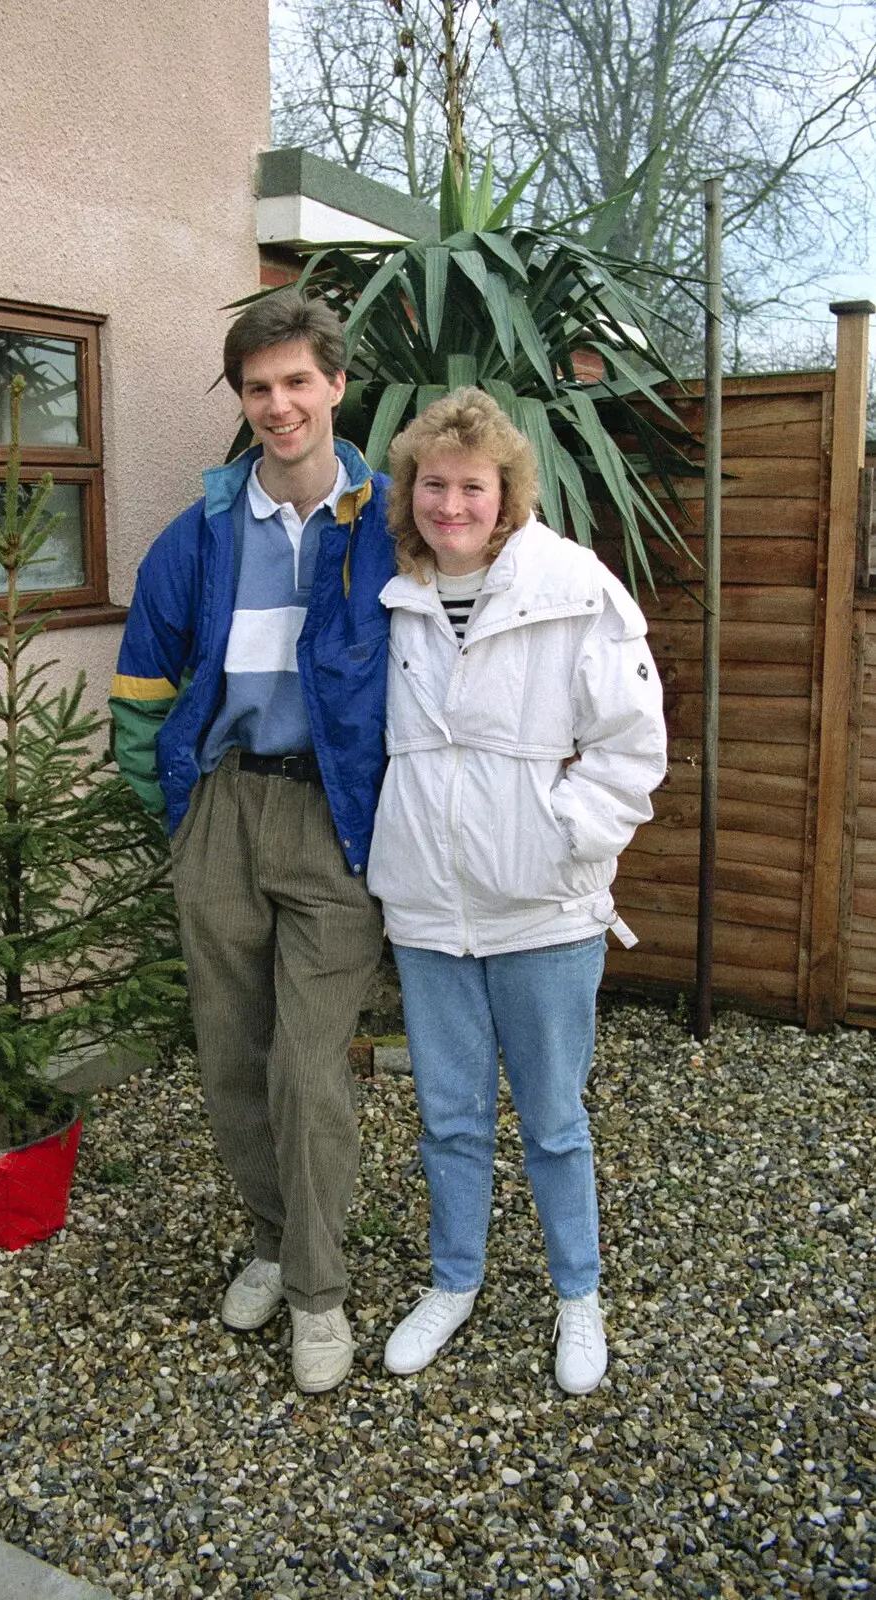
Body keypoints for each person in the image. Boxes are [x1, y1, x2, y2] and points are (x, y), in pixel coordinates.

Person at [109, 289, 394, 1393]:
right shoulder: (203, 535)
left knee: (310, 1067)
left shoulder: (391, 524)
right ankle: (273, 1242)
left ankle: (320, 1294)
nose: (279, 405)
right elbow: (141, 686)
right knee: (232, 1055)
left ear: (334, 385)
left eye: (297, 383)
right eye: (258, 388)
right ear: (244, 399)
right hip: (225, 807)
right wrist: (181, 816)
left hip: (335, 817)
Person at [367, 387, 666, 1394]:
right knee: (448, 1117)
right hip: (427, 909)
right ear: (412, 494)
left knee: (552, 1118)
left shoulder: (575, 587)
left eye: (473, 486)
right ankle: (454, 1281)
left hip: (544, 909)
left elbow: (634, 745)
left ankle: (577, 1294)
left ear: (507, 494)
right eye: (434, 485)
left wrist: (564, 838)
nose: (452, 504)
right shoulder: (388, 593)